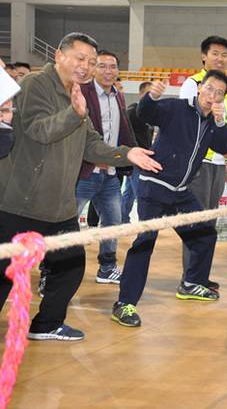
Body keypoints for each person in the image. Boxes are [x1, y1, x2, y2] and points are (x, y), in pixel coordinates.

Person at [0, 32, 160, 341]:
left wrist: (126, 154)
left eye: (91, 61)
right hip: (20, 201)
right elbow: (39, 130)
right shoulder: (35, 84)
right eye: (80, 58)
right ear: (59, 55)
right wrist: (74, 114)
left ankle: (47, 324)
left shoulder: (77, 93)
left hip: (60, 205)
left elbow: (90, 144)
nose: (85, 66)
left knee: (70, 266)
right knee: (4, 271)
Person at [112, 71, 227, 327]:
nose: (212, 95)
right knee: (145, 243)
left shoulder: (213, 122)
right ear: (199, 88)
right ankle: (124, 303)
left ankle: (191, 283)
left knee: (205, 235)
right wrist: (151, 97)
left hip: (180, 192)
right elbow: (146, 114)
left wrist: (221, 121)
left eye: (219, 93)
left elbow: (224, 147)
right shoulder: (177, 108)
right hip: (154, 186)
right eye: (209, 89)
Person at [75, 50, 136, 285]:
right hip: (84, 172)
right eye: (102, 66)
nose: (108, 71)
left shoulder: (118, 96)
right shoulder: (81, 92)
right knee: (67, 223)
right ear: (93, 68)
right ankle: (51, 271)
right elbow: (77, 133)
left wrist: (127, 159)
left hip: (109, 174)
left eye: (112, 66)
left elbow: (122, 131)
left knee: (113, 221)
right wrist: (92, 157)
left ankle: (107, 268)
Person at [179, 36, 227, 288]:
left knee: (210, 224)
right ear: (204, 56)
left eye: (224, 55)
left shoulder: (225, 90)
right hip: (199, 164)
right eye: (215, 53)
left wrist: (226, 163)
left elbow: (222, 129)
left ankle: (201, 276)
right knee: (195, 223)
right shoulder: (193, 84)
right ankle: (190, 279)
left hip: (218, 164)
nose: (220, 59)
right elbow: (189, 124)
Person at [121, 81, 154, 224]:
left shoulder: (152, 113)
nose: (151, 97)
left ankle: (123, 220)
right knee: (142, 193)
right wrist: (130, 153)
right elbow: (124, 132)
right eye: (148, 93)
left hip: (145, 158)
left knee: (129, 193)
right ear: (140, 94)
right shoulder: (133, 111)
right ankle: (144, 224)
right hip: (135, 159)